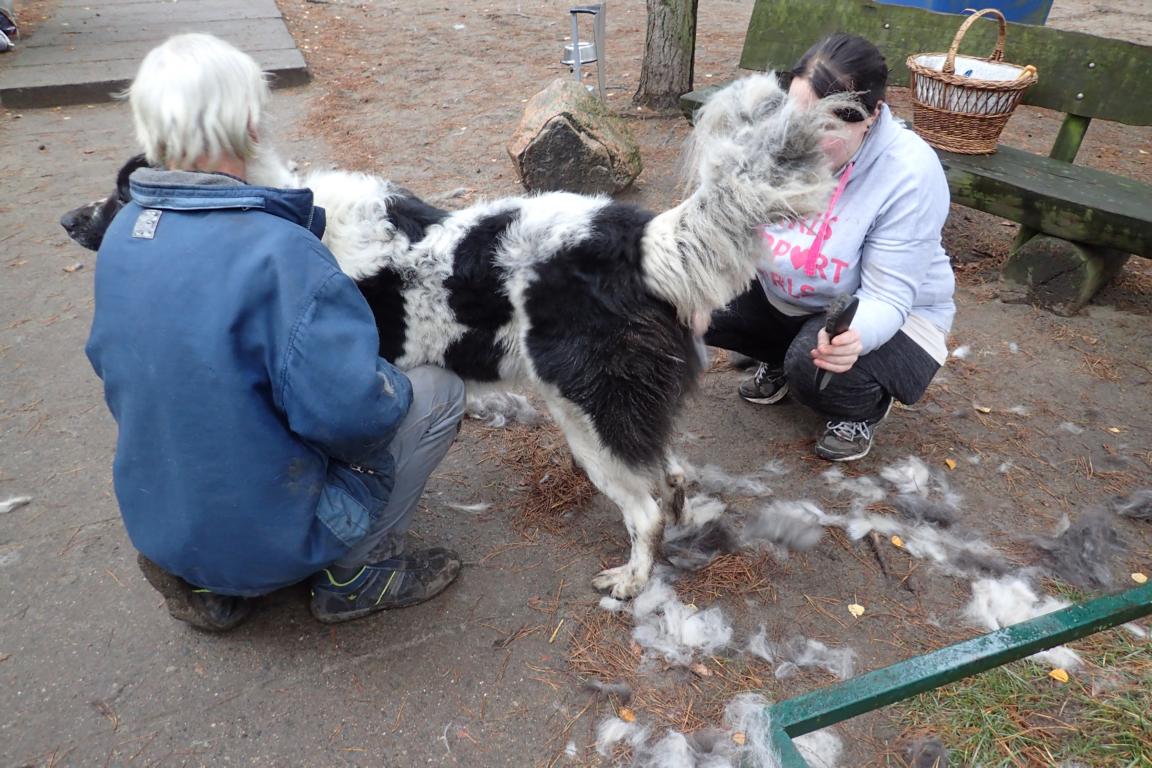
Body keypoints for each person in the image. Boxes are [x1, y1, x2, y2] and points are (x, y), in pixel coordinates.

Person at [85, 34, 466, 632]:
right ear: (249, 123)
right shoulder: (283, 252)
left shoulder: (123, 233)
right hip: (277, 536)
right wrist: (385, 377)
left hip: (164, 524)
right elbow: (352, 413)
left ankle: (205, 585)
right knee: (439, 389)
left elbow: (114, 370)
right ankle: (350, 576)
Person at [703, 33, 955, 462]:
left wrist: (855, 337)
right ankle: (781, 356)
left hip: (891, 312)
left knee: (814, 361)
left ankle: (861, 408)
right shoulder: (776, 133)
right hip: (799, 291)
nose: (800, 137)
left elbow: (888, 296)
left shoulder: (909, 174)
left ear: (871, 116)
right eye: (797, 114)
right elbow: (729, 223)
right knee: (700, 300)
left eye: (825, 127)